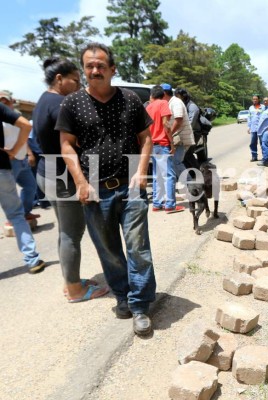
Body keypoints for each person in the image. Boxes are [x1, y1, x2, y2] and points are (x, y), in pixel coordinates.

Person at [58, 42, 156, 336]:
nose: (95, 70)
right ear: (84, 70)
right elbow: (66, 145)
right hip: (95, 191)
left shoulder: (129, 100)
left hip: (130, 186)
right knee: (110, 250)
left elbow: (146, 138)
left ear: (113, 69)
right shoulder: (72, 104)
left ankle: (139, 306)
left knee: (138, 248)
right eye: (89, 65)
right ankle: (123, 296)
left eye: (101, 65)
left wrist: (141, 172)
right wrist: (81, 182)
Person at [34, 57, 109, 302]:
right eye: (75, 80)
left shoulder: (44, 100)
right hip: (64, 178)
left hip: (48, 173)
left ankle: (70, 281)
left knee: (65, 232)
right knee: (72, 234)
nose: (78, 85)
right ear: (59, 79)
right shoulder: (60, 104)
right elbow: (76, 142)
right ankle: (76, 290)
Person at [0, 101, 46, 273]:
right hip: (2, 170)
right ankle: (32, 260)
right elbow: (25, 125)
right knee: (16, 215)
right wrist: (14, 150)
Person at [1, 91, 39, 222]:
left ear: (11, 101)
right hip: (10, 161)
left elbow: (24, 137)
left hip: (22, 159)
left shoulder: (17, 117)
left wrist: (29, 153)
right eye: (0, 100)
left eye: (5, 100)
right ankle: (13, 219)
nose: (3, 102)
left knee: (31, 186)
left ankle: (25, 212)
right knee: (10, 193)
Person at [146, 85, 179, 213]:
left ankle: (157, 203)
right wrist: (171, 143)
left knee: (156, 175)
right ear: (163, 95)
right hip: (163, 144)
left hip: (153, 145)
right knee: (169, 175)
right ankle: (170, 204)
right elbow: (166, 124)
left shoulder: (148, 107)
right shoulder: (163, 103)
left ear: (151, 95)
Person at [161, 83, 194, 203]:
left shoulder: (175, 102)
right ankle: (177, 188)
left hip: (180, 138)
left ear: (164, 93)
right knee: (172, 164)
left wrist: (168, 134)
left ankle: (191, 185)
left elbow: (178, 120)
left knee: (176, 162)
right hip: (175, 137)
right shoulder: (169, 103)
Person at [247, 95, 264, 162]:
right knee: (253, 143)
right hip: (253, 128)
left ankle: (264, 157)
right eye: (253, 99)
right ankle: (254, 156)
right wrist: (249, 127)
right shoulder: (250, 108)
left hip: (261, 128)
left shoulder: (263, 107)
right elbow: (249, 118)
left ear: (259, 99)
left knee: (262, 143)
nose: (255, 100)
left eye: (256, 99)